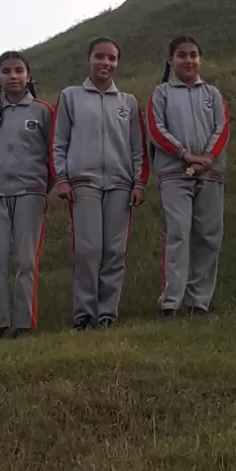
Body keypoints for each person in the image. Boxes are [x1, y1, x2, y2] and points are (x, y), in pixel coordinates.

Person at [53, 38, 148, 330]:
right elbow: (59, 141)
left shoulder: (128, 103)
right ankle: (84, 314)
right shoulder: (70, 97)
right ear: (89, 59)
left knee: (115, 251)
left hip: (120, 184)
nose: (105, 63)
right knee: (88, 249)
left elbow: (138, 148)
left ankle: (107, 313)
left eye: (112, 58)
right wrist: (61, 178)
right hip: (84, 183)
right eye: (99, 57)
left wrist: (139, 182)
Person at [147, 35, 229, 316]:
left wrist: (208, 158)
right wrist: (184, 154)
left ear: (200, 59)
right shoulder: (161, 93)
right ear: (171, 60)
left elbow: (223, 129)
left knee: (208, 236)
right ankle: (171, 301)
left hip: (210, 173)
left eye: (193, 55)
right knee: (179, 235)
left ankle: (199, 302)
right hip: (174, 173)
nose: (188, 60)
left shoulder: (212, 94)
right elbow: (157, 130)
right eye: (182, 55)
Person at [0, 51, 55, 337]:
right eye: (6, 71)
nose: (13, 76)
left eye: (19, 71)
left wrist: (44, 185)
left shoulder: (42, 111)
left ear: (28, 76)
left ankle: (24, 324)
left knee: (26, 261)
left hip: (31, 192)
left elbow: (52, 153)